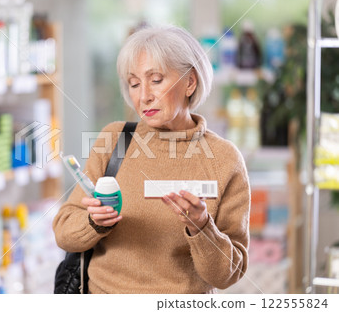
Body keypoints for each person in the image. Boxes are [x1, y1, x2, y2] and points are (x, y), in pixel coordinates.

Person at [53, 25, 250, 294]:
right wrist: (94, 222)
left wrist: (202, 228)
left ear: (190, 82)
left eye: (156, 80)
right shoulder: (116, 140)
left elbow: (229, 273)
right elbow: (64, 231)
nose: (143, 95)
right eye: (134, 84)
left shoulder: (225, 159)